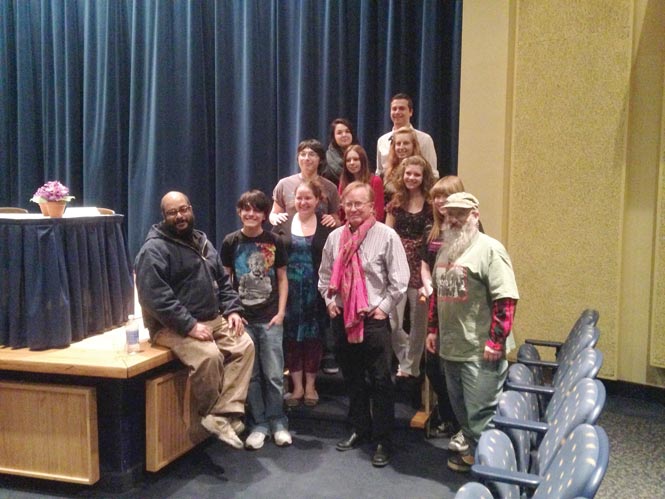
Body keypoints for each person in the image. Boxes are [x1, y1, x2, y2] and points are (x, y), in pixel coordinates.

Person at [135, 191, 255, 450]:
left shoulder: (202, 241)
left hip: (211, 319)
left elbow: (223, 282)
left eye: (183, 209)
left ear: (191, 209)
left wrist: (233, 309)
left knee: (244, 345)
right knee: (209, 356)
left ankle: (222, 414)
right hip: (170, 327)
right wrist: (189, 325)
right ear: (163, 216)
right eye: (173, 212)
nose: (180, 216)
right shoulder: (153, 250)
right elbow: (155, 298)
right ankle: (213, 414)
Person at [425, 192, 519, 472]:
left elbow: (506, 299)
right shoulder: (446, 249)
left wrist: (496, 340)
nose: (453, 219)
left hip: (481, 350)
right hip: (452, 347)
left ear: (475, 216)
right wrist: (432, 329)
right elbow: (436, 295)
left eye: (460, 214)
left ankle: (492, 472)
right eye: (449, 214)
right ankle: (474, 456)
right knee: (462, 411)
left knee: (481, 414)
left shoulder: (491, 250)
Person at [318, 181, 409, 468]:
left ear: (372, 206)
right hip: (342, 318)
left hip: (372, 320)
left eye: (360, 203)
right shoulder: (334, 238)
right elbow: (323, 277)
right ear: (342, 206)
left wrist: (383, 308)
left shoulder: (387, 236)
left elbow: (400, 280)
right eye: (349, 203)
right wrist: (329, 301)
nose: (354, 208)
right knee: (353, 378)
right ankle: (360, 428)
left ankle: (383, 439)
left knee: (381, 380)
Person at [220, 190, 292, 450]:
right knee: (251, 376)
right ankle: (258, 424)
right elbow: (224, 280)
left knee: (273, 374)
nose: (250, 214)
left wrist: (281, 312)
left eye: (256, 210)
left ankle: (278, 422)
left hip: (271, 318)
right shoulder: (230, 242)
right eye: (245, 209)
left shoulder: (275, 241)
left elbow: (282, 278)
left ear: (264, 214)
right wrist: (230, 311)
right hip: (243, 322)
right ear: (240, 212)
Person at [273, 180, 334, 407]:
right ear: (293, 200)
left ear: (317, 200)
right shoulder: (282, 224)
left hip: (316, 292)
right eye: (299, 198)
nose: (303, 202)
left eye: (308, 198)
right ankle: (296, 385)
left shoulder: (327, 226)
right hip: (288, 293)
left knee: (313, 339)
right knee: (291, 339)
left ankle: (310, 385)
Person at [420, 176, 466, 439]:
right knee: (434, 367)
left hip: (456, 307)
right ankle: (449, 417)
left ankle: (460, 424)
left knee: (454, 367)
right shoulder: (431, 230)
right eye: (436, 196)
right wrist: (428, 287)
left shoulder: (471, 228)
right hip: (435, 305)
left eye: (445, 196)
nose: (439, 201)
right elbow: (426, 265)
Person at [385, 155, 434, 379]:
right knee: (393, 321)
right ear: (402, 175)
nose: (412, 178)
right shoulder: (395, 203)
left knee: (418, 323)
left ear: (423, 177)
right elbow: (386, 234)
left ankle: (411, 366)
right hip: (397, 266)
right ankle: (405, 358)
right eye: (408, 173)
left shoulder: (431, 204)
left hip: (421, 265)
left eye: (416, 174)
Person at [270, 139, 340, 228]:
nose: (307, 158)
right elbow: (273, 214)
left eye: (312, 154)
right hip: (290, 237)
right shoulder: (284, 184)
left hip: (320, 238)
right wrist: (275, 218)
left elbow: (337, 219)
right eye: (303, 154)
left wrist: (332, 219)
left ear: (320, 160)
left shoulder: (330, 187)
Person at [376, 93, 438, 179]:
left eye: (401, 108)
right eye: (394, 109)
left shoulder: (425, 139)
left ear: (411, 112)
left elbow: (433, 174)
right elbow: (379, 172)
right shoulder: (382, 141)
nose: (397, 112)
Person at [338, 144, 384, 222]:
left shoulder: (375, 181)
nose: (352, 163)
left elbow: (378, 213)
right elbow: (341, 211)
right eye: (348, 160)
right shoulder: (343, 182)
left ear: (363, 161)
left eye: (356, 159)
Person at [380, 126, 423, 207]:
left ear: (413, 145)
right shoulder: (386, 171)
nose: (401, 147)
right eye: (398, 144)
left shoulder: (422, 169)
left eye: (406, 143)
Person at [322, 118, 357, 186]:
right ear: (333, 137)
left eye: (347, 131)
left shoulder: (361, 156)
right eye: (339, 133)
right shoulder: (326, 160)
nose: (344, 135)